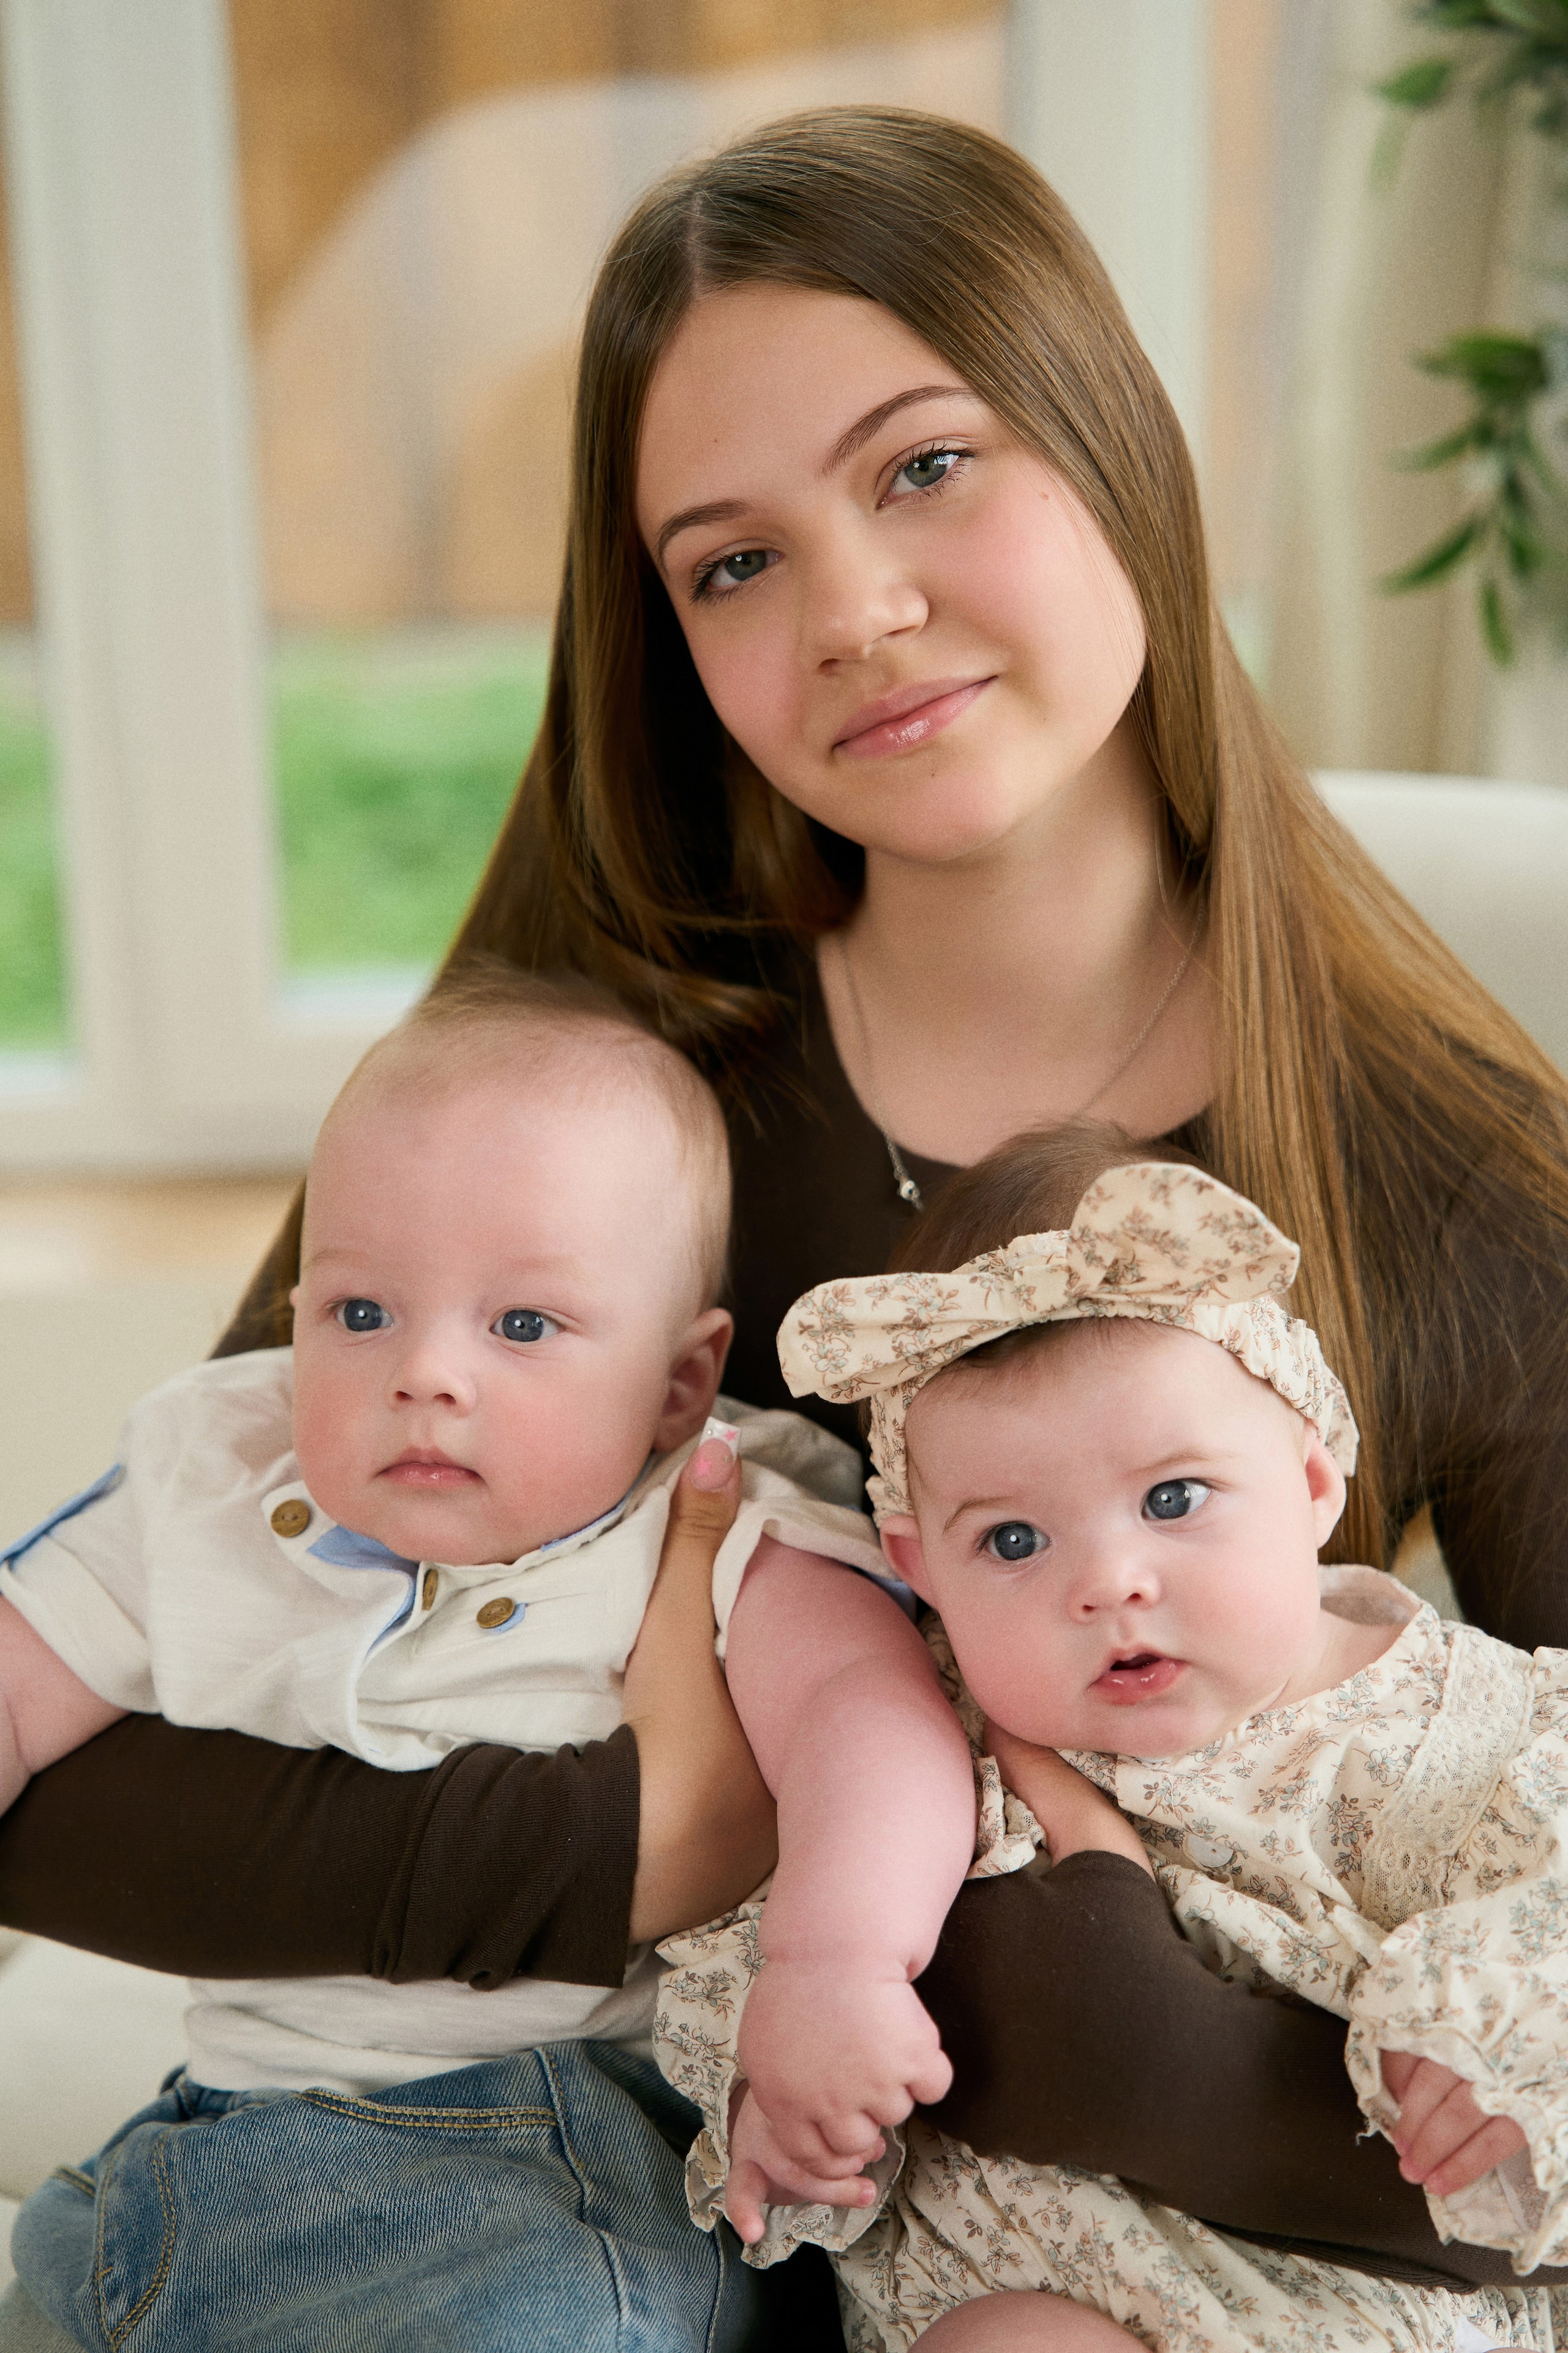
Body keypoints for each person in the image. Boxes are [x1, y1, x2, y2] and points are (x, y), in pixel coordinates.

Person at [4, 102, 1568, 2345]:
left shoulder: (1457, 1177)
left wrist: (1077, 2010)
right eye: (733, 562)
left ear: (1114, 440)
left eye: (928, 465)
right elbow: (79, 1772)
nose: (857, 610)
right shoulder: (600, 1115)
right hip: (582, 2234)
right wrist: (661, 1845)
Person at [0, 967, 908, 2351]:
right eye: (361, 1313)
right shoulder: (219, 1475)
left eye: (522, 1325)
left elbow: (874, 1719)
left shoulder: (712, 1507)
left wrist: (839, 1966)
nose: (424, 1372)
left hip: (550, 2151)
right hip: (204, 2153)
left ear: (676, 1379)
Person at [660, 1130, 1568, 2350]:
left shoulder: (1479, 1728)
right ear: (918, 1566)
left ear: (1311, 1477)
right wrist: (792, 2092)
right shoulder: (917, 1745)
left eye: (1172, 1499)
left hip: (1357, 2312)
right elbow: (775, 1943)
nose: (1108, 1583)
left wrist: (1504, 2052)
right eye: (1015, 1542)